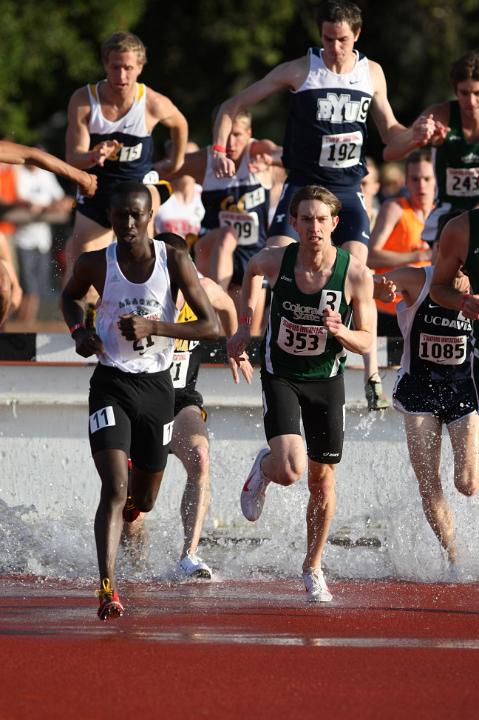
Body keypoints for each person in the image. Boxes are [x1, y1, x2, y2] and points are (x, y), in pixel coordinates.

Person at [211, 0, 433, 405]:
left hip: (347, 193)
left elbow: (391, 139)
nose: (334, 48)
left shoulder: (372, 73)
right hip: (303, 188)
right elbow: (232, 106)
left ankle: (371, 378)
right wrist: (219, 150)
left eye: (342, 40)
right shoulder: (301, 69)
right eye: (328, 39)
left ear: (357, 36)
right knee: (271, 259)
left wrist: (416, 134)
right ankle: (252, 338)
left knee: (358, 271)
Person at [60, 181, 219, 620]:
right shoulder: (95, 263)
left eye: (136, 215)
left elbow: (211, 327)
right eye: (119, 217)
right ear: (109, 218)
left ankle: (135, 499)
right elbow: (69, 297)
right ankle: (107, 588)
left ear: (151, 216)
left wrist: (156, 329)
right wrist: (80, 333)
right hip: (111, 382)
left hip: (157, 389)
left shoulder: (175, 260)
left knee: (143, 501)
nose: (127, 225)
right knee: (113, 486)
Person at [227, 185, 374, 602]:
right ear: (294, 223)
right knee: (291, 470)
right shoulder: (280, 260)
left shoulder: (355, 274)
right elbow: (251, 271)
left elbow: (367, 341)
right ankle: (266, 468)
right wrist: (244, 326)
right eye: (305, 219)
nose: (313, 227)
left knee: (322, 481)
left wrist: (341, 331)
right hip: (282, 374)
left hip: (327, 379)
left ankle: (312, 567)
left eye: (320, 219)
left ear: (334, 223)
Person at [124, 242, 254, 579]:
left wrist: (233, 343)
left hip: (181, 401)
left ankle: (190, 554)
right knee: (135, 504)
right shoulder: (137, 293)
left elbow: (227, 306)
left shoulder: (204, 288)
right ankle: (134, 569)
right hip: (141, 401)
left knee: (200, 456)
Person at [375, 259, 478, 567]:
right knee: (428, 481)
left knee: (468, 482)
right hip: (419, 390)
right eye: (447, 254)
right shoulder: (417, 279)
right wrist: (382, 289)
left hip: (464, 390)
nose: (454, 265)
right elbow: (368, 285)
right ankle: (455, 559)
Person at [64, 31, 188, 279]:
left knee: (140, 256)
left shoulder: (152, 103)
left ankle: (146, 307)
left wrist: (175, 162)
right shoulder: (84, 100)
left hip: (138, 185)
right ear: (105, 65)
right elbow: (72, 158)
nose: (122, 76)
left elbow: (180, 124)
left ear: (140, 68)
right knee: (84, 267)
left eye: (128, 68)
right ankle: (85, 315)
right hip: (97, 189)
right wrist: (93, 155)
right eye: (116, 67)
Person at [167, 110, 281, 332]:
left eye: (237, 134)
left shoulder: (258, 151)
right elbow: (164, 168)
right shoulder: (206, 160)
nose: (231, 141)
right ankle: (213, 306)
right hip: (210, 251)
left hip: (252, 257)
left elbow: (290, 155)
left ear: (249, 134)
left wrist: (271, 159)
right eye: (225, 134)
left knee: (246, 336)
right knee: (228, 235)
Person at [384, 50, 479, 243]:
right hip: (448, 213)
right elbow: (390, 153)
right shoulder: (441, 115)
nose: (471, 102)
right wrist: (417, 138)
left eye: (477, 93)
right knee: (443, 269)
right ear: (455, 91)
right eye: (464, 93)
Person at [367, 150, 435, 338]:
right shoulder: (396, 208)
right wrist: (417, 256)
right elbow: (370, 257)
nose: (421, 185)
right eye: (415, 179)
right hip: (389, 308)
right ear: (405, 181)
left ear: (437, 180)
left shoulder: (442, 215)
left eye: (427, 179)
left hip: (427, 311)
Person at [13, 162, 73, 324]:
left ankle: (25, 323)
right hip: (21, 238)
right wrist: (47, 207)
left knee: (37, 286)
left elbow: (63, 201)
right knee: (26, 285)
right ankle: (22, 323)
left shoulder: (45, 174)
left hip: (42, 240)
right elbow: (19, 200)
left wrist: (46, 207)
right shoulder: (18, 172)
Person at [154, 142, 205, 248]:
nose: (188, 164)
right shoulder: (160, 194)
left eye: (194, 158)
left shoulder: (206, 195)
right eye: (183, 158)